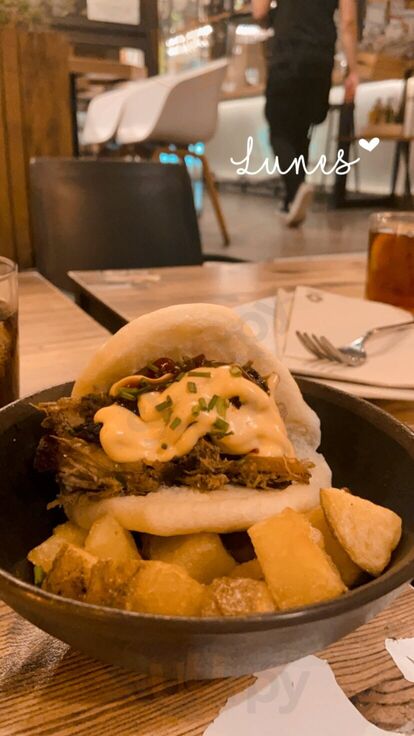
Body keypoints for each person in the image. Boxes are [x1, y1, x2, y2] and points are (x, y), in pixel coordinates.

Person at [252, 0, 359, 226]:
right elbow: (348, 22)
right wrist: (353, 70)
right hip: (320, 57)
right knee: (302, 128)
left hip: (287, 52)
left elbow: (259, 11)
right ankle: (292, 201)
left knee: (278, 128)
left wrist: (271, 20)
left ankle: (296, 188)